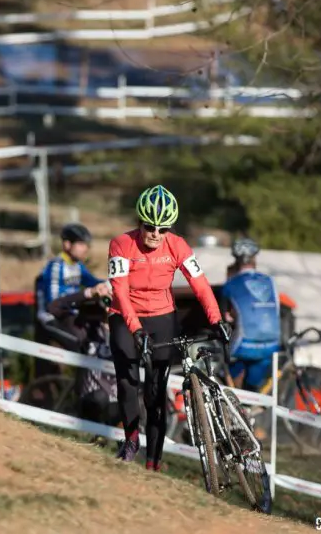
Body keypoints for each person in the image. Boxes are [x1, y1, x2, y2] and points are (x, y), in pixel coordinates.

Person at [107, 184, 229, 471]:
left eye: (163, 229)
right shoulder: (121, 244)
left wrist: (217, 319)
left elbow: (200, 285)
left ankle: (154, 463)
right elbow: (120, 292)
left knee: (156, 390)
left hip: (162, 316)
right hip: (125, 315)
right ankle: (132, 439)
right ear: (140, 222)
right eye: (150, 227)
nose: (156, 235)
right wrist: (135, 330)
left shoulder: (178, 245)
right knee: (127, 379)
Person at [46, 286, 119, 427]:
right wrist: (89, 293)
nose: (112, 307)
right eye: (109, 301)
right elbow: (54, 307)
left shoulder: (131, 333)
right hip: (91, 401)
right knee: (100, 398)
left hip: (118, 404)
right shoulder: (86, 329)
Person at [35, 223, 110, 355]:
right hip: (51, 319)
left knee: (99, 334)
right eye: (81, 244)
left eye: (87, 245)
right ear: (67, 244)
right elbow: (53, 303)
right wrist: (86, 295)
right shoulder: (56, 266)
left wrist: (112, 283)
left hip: (69, 314)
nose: (86, 249)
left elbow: (93, 282)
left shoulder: (77, 266)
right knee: (85, 348)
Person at [221, 237, 282, 392]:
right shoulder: (270, 281)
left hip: (243, 345)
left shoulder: (230, 284)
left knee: (227, 369)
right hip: (272, 344)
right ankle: (251, 400)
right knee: (253, 383)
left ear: (236, 261)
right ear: (254, 259)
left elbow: (225, 316)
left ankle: (230, 391)